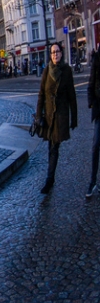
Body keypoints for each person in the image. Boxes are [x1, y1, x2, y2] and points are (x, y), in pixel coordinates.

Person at [35, 42, 78, 194]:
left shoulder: (67, 70)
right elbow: (41, 94)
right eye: (53, 52)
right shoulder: (47, 70)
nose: (55, 55)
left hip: (60, 115)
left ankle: (49, 180)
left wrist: (74, 118)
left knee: (54, 146)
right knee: (51, 147)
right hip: (48, 115)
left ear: (61, 53)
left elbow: (72, 95)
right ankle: (50, 178)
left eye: (57, 52)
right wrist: (38, 115)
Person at [87, 47, 100, 198]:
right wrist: (91, 103)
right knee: (96, 144)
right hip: (99, 109)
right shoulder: (96, 59)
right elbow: (91, 83)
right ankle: (92, 181)